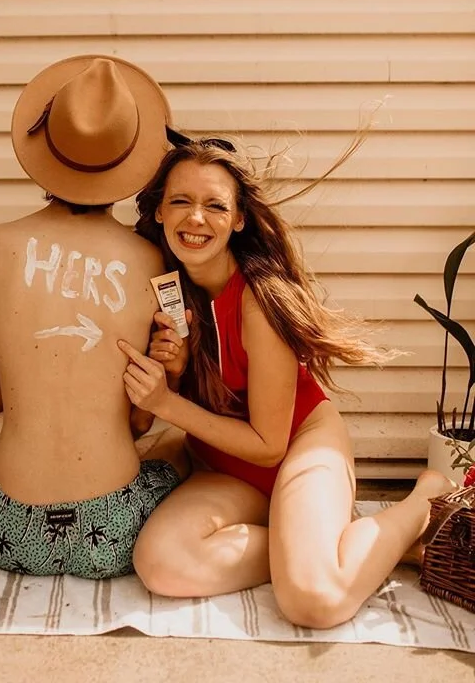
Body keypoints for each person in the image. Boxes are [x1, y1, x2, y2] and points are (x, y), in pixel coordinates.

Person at [117, 133, 455, 627]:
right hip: (227, 471)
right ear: (160, 212)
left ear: (238, 219)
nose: (196, 218)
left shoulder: (259, 299)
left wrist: (169, 403)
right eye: (181, 201)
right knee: (163, 564)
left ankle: (421, 502)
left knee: (314, 601)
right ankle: (320, 544)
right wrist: (170, 373)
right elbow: (138, 424)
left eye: (215, 205)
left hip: (300, 447)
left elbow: (269, 444)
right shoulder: (154, 291)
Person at [0, 55, 189, 579]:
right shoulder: (154, 260)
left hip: (7, 530)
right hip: (116, 531)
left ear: (46, 150)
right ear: (132, 159)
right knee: (181, 443)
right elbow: (141, 421)